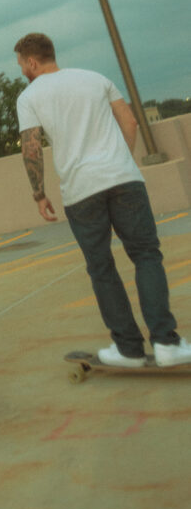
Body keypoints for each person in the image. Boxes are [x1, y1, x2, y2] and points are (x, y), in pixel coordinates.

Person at [14, 32, 191, 369]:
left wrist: (38, 192)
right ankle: (167, 343)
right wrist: (120, 159)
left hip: (81, 190)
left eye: (21, 64)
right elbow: (130, 121)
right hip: (124, 178)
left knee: (101, 267)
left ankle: (128, 349)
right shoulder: (95, 78)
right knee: (146, 256)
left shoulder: (29, 96)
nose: (22, 70)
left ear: (31, 62)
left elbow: (31, 146)